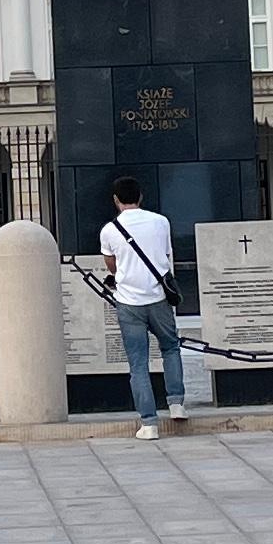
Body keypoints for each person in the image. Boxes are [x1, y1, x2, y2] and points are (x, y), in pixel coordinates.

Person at [99, 173, 186, 438]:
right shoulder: (161, 222)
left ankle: (149, 424)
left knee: (138, 363)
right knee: (171, 347)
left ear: (116, 200)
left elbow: (111, 264)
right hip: (159, 298)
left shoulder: (109, 230)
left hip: (128, 302)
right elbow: (166, 256)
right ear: (140, 196)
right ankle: (176, 403)